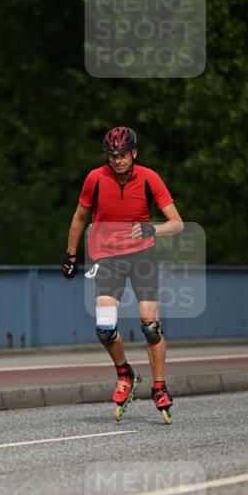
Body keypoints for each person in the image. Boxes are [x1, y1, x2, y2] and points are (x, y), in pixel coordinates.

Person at [62, 126, 184, 422]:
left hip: (142, 254)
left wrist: (152, 228)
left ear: (134, 153)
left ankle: (159, 386)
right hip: (107, 256)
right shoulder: (95, 179)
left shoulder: (149, 178)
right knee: (105, 328)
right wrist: (70, 254)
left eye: (122, 155)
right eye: (112, 155)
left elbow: (177, 223)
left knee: (150, 326)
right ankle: (124, 372)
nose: (116, 160)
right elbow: (79, 216)